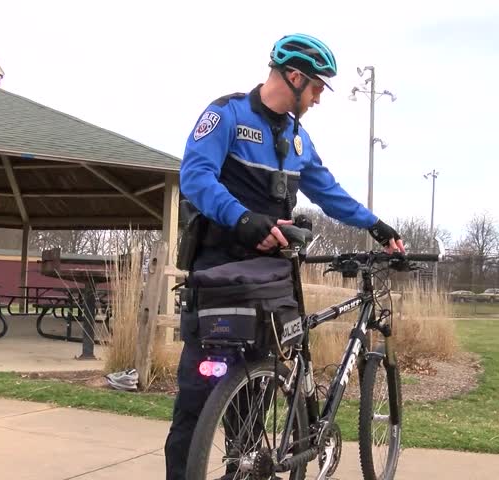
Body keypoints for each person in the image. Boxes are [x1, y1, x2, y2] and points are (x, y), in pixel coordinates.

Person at [164, 33, 405, 479]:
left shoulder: (298, 139)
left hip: (272, 281)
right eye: (316, 87)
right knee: (196, 406)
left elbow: (328, 191)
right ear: (294, 77)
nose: (318, 98)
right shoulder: (227, 116)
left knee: (253, 408)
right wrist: (243, 219)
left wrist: (375, 224)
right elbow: (195, 177)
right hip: (218, 275)